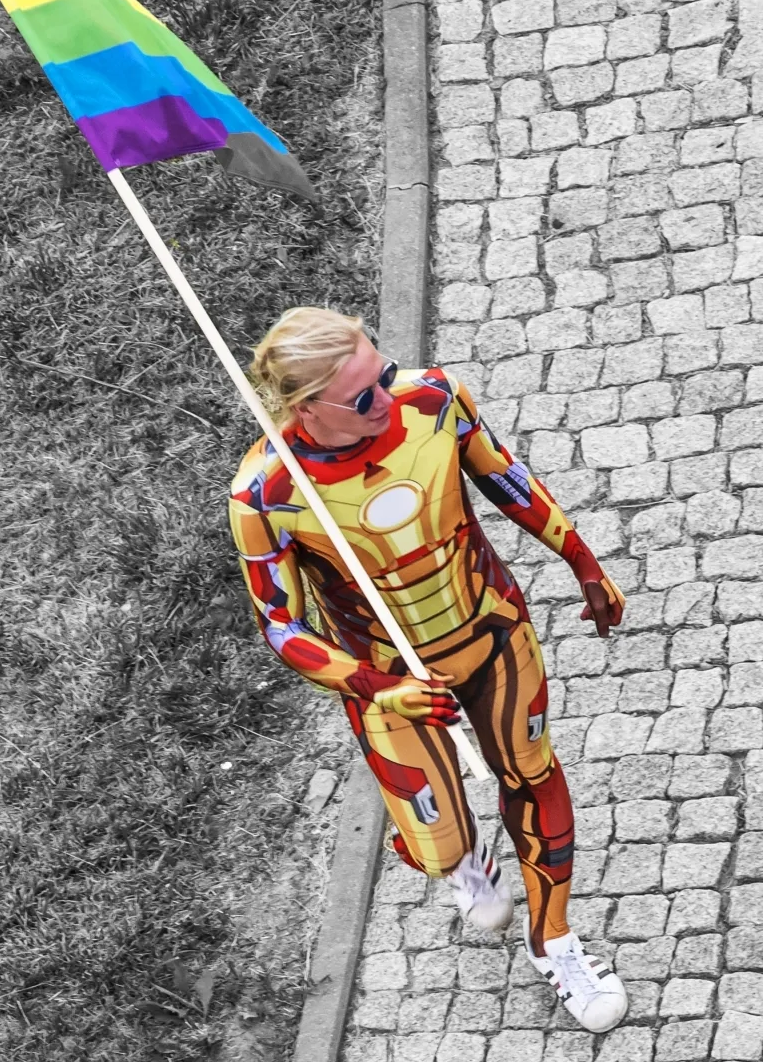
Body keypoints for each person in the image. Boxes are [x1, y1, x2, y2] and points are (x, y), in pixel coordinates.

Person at [228, 307, 628, 1033]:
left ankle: (556, 941)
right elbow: (280, 626)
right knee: (439, 841)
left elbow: (507, 479)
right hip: (391, 681)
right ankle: (456, 858)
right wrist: (384, 689)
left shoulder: (435, 400)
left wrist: (584, 563)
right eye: (361, 398)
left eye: (381, 374)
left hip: (494, 631)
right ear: (304, 407)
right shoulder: (265, 495)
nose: (385, 397)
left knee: (531, 771)